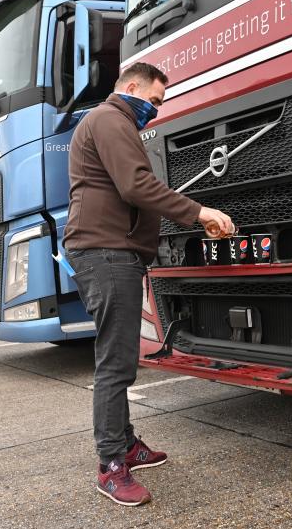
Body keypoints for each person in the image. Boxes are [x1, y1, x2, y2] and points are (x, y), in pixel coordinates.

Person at [64, 62, 234, 506]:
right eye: (154, 101)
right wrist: (200, 213)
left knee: (119, 356)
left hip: (111, 250)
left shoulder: (110, 122)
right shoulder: (110, 119)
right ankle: (110, 465)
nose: (155, 111)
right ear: (133, 87)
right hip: (106, 251)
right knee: (116, 363)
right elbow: (137, 184)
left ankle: (126, 443)